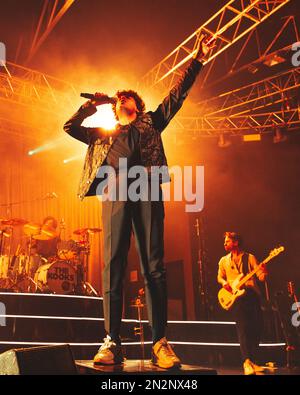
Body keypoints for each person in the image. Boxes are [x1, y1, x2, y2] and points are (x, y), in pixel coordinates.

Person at [64, 34, 215, 369]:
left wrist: (198, 60)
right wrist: (94, 106)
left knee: (154, 266)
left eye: (126, 97)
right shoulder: (104, 135)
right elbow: (69, 126)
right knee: (112, 266)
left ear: (137, 105)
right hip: (115, 193)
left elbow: (177, 95)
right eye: (117, 100)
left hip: (146, 189)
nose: (121, 100)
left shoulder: (152, 123)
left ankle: (160, 342)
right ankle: (111, 341)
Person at [217, 232, 268, 375]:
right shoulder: (223, 261)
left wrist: (263, 272)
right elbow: (219, 277)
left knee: (257, 328)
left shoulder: (250, 258)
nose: (225, 243)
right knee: (243, 329)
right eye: (225, 241)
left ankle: (253, 361)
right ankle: (246, 361)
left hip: (252, 296)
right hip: (237, 298)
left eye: (227, 241)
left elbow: (261, 277)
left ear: (236, 242)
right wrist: (225, 283)